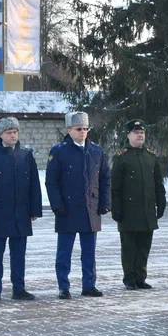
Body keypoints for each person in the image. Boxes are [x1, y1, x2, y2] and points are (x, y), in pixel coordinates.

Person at [0, 116, 42, 303]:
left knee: (19, 255)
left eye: (15, 132)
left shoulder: (26, 155)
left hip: (20, 214)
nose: (13, 135)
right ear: (1, 135)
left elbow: (34, 184)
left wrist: (34, 210)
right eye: (9, 132)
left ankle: (19, 289)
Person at [46, 111, 110, 299]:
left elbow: (105, 178)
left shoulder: (96, 151)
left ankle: (89, 285)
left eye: (85, 129)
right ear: (69, 130)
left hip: (90, 209)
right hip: (67, 209)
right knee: (64, 252)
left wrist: (105, 202)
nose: (83, 132)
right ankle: (63, 287)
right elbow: (51, 182)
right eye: (78, 129)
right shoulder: (59, 151)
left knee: (89, 252)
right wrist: (57, 205)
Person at [110, 120, 166, 289]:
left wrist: (161, 203)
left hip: (147, 210)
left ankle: (141, 277)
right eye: (136, 132)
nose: (140, 135)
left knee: (144, 246)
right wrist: (116, 209)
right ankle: (129, 278)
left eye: (142, 132)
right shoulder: (121, 158)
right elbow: (115, 187)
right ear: (128, 135)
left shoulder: (151, 157)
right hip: (128, 211)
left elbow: (158, 184)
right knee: (129, 247)